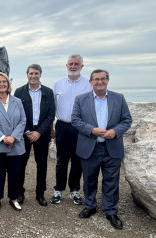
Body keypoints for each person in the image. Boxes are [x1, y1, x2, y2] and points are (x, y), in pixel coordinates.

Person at [72, 69, 132, 229]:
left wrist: (115, 131)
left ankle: (110, 210)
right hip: (90, 147)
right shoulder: (80, 99)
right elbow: (75, 120)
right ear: (90, 82)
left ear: (108, 80)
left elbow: (127, 120)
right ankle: (90, 206)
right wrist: (91, 130)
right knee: (89, 179)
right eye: (96, 79)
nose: (100, 81)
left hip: (112, 147)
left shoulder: (119, 98)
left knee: (111, 181)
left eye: (103, 79)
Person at [51, 54, 92, 205]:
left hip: (81, 128)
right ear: (66, 66)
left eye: (76, 64)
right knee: (61, 160)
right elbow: (52, 107)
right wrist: (51, 127)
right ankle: (58, 189)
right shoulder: (58, 84)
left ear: (82, 66)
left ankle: (74, 190)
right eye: (70, 64)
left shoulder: (88, 84)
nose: (73, 66)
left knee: (78, 160)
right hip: (62, 125)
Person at [0, 72, 26, 212]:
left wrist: (13, 137)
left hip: (15, 143)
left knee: (14, 172)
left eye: (4, 82)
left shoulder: (17, 101)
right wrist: (3, 138)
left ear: (8, 84)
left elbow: (22, 121)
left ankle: (13, 198)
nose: (2, 84)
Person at [14, 64, 55, 207]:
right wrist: (27, 131)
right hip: (24, 133)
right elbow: (16, 114)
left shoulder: (48, 92)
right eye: (31, 73)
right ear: (27, 75)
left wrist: (39, 132)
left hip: (41, 133)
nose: (33, 76)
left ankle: (40, 193)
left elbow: (51, 114)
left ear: (40, 74)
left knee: (42, 164)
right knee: (21, 164)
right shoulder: (19, 92)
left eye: (36, 73)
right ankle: (20, 193)